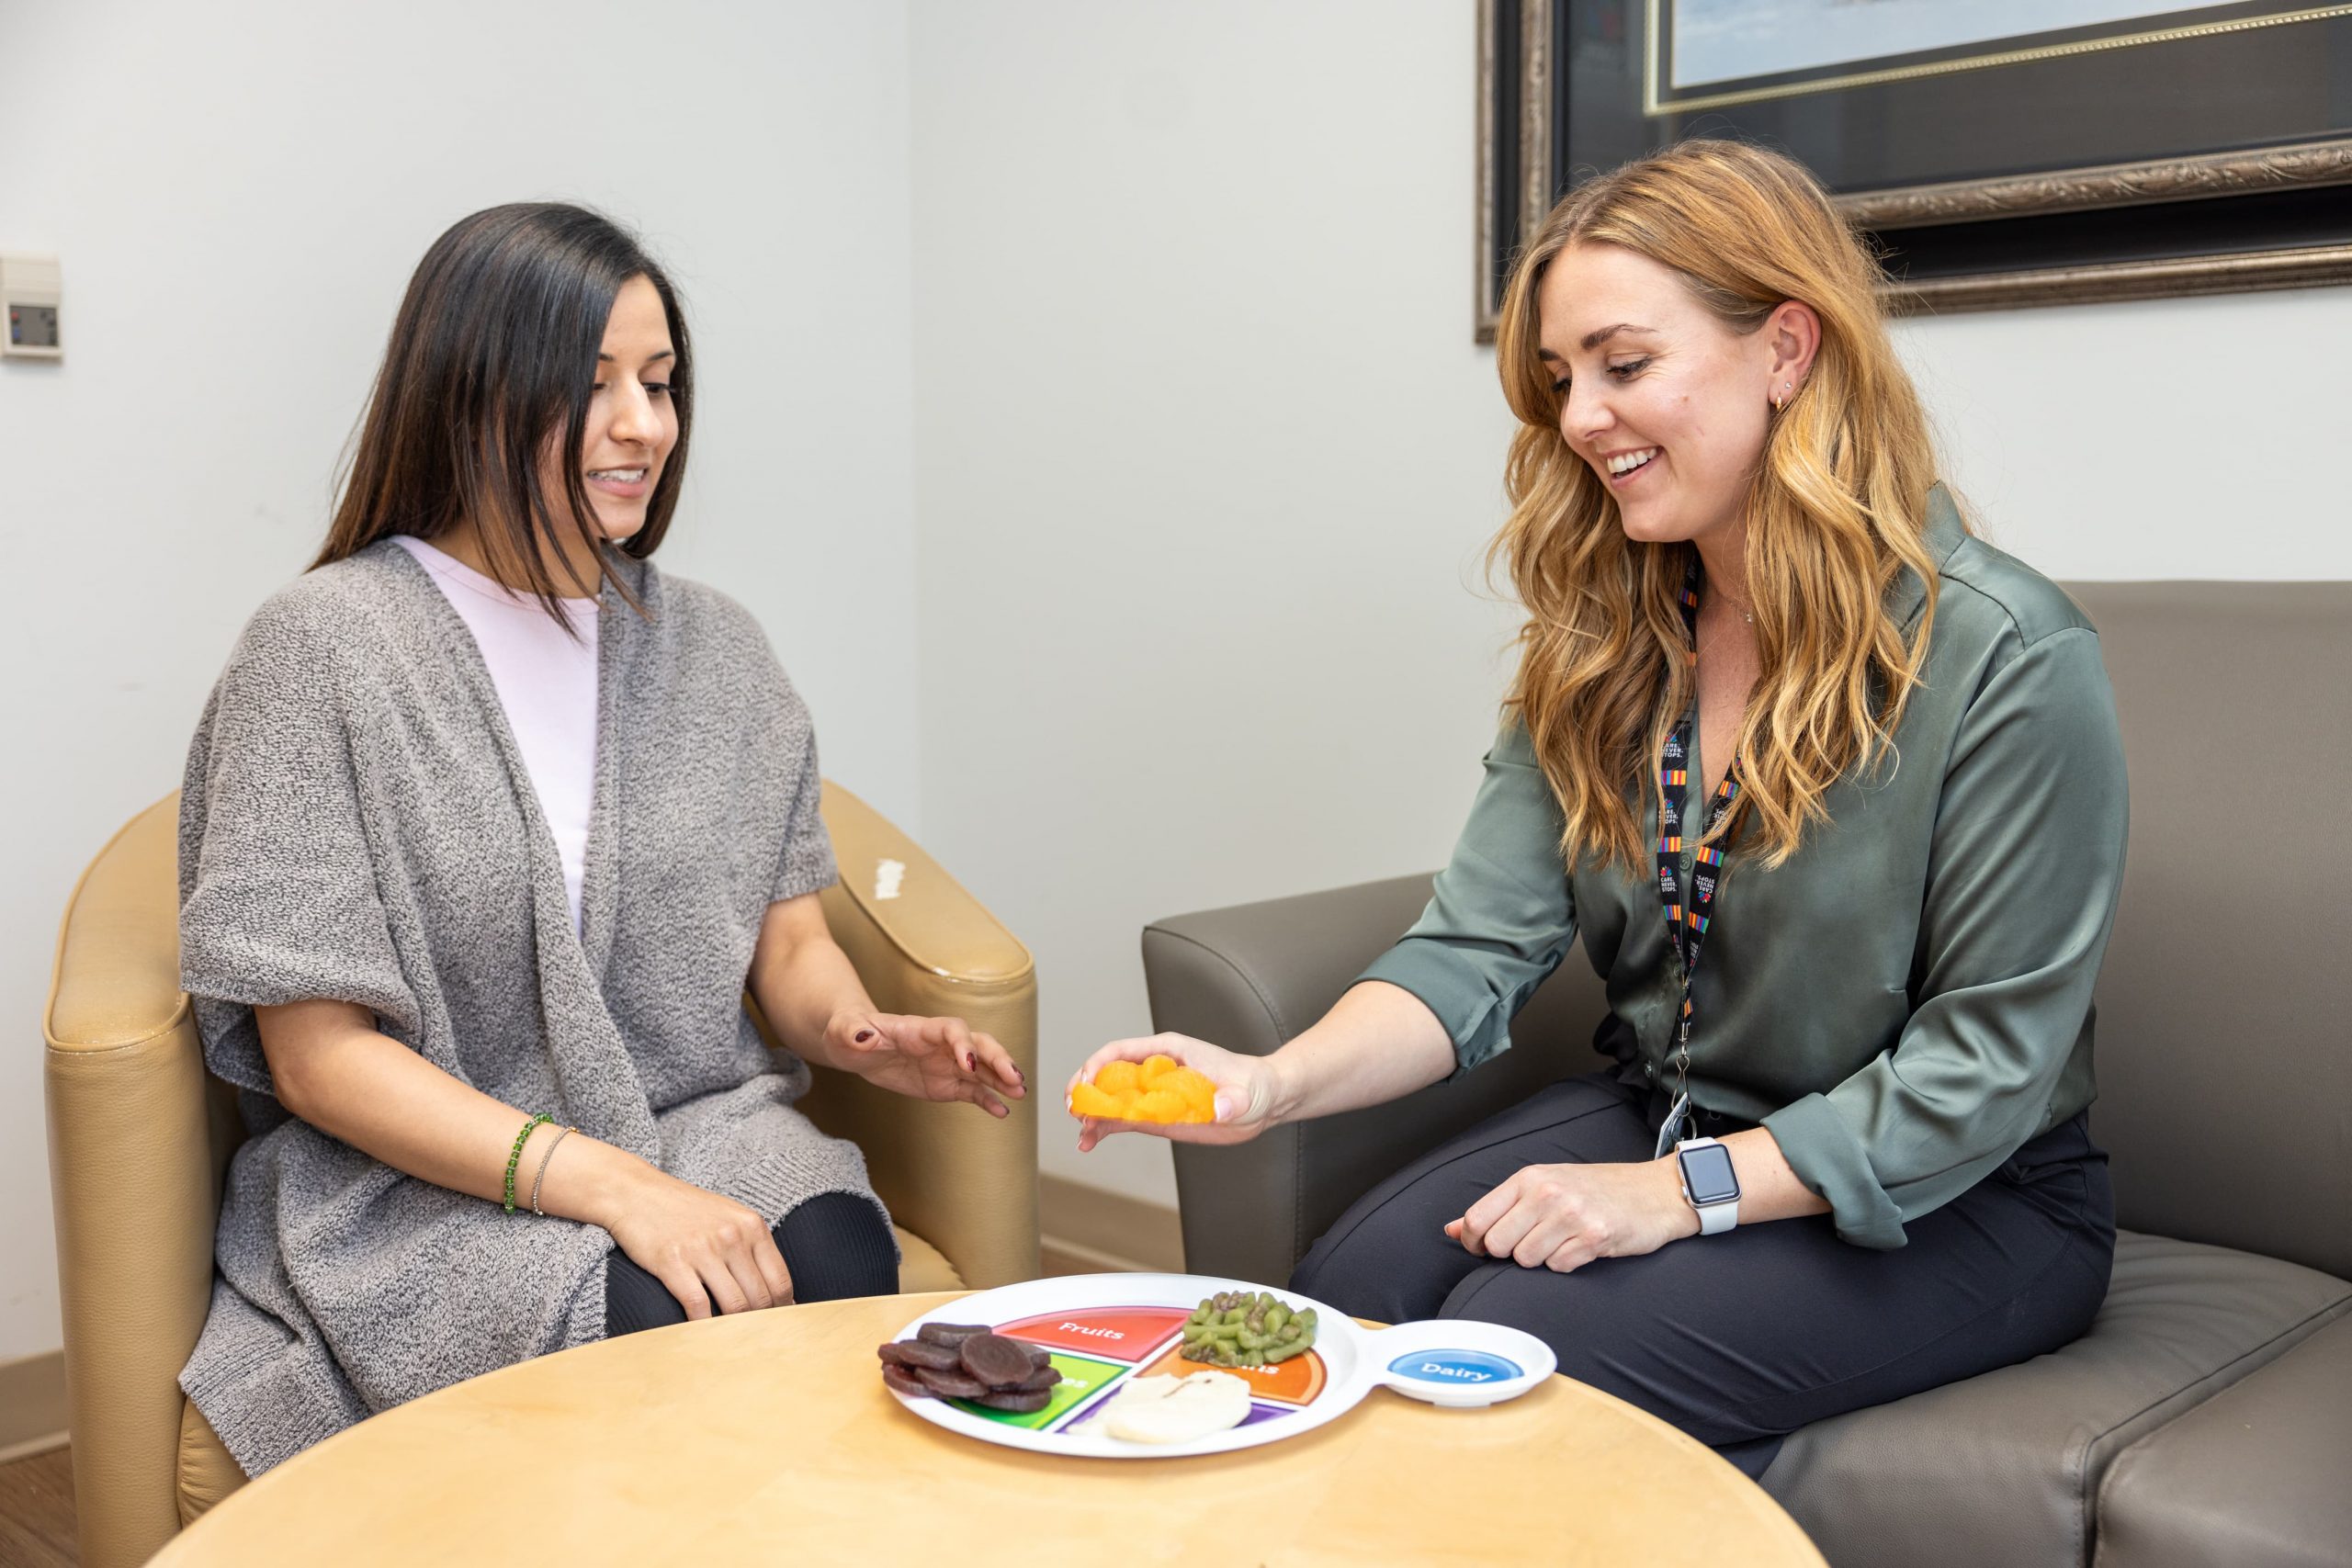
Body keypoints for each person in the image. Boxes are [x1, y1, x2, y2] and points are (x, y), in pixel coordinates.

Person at [1071, 141, 2126, 1478]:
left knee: (1514, 1358)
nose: (1579, 419)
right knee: (1338, 1299)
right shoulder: (1612, 639)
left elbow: (1982, 1069)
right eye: (1563, 381)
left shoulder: (2007, 654)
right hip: (1672, 1108)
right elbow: (1475, 944)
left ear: (1787, 350)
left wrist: (1670, 1199)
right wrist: (1270, 1086)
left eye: (1624, 367)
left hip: (1962, 1200)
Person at [175, 203, 1024, 1478]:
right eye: (593, 387)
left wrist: (858, 1034)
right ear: (471, 395)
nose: (645, 426)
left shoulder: (718, 650)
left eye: (662, 383)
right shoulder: (323, 650)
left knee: (846, 1262)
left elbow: (786, 944)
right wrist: (615, 1190)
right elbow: (315, 1061)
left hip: (690, 1121)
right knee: (649, 1322)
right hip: (426, 1183)